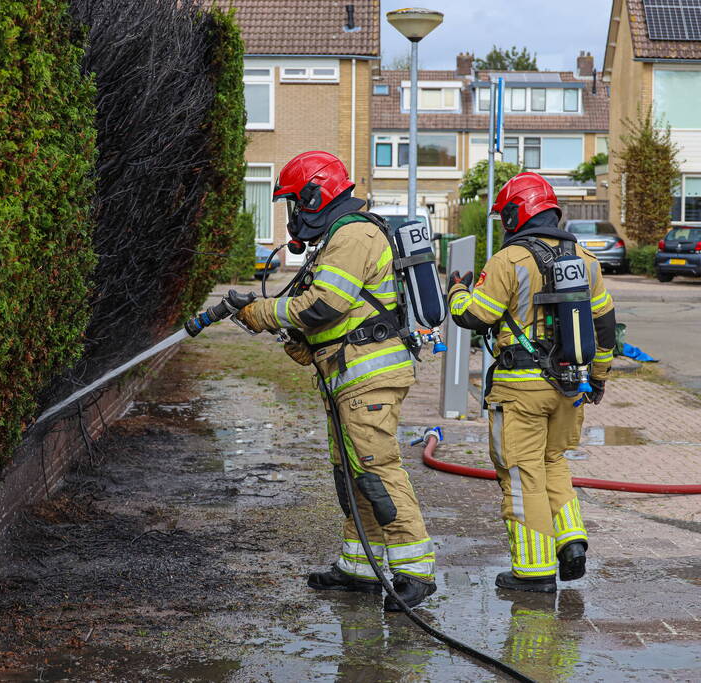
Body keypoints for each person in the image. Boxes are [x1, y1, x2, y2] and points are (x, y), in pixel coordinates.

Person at [229, 151, 436, 611]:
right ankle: (360, 569)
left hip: (368, 377)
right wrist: (301, 339)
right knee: (353, 472)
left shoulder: (354, 235)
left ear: (315, 195)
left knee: (377, 469)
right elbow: (324, 316)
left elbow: (325, 305)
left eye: (294, 203)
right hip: (345, 375)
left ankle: (415, 572)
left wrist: (263, 313)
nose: (293, 216)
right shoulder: (338, 238)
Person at [446, 172, 616, 593]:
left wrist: (456, 291)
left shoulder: (509, 261)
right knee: (553, 462)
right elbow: (606, 327)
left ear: (513, 214)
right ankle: (571, 541)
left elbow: (474, 316)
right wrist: (596, 380)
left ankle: (534, 571)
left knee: (521, 476)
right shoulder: (587, 260)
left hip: (520, 386)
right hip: (569, 386)